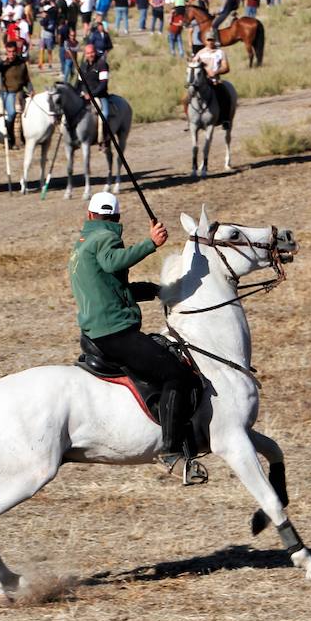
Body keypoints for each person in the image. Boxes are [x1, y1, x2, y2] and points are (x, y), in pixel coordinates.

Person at [68, 192, 196, 457]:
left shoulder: (83, 244)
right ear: (116, 217)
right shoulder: (106, 238)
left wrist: (154, 290)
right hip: (115, 334)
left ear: (90, 214)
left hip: (97, 331)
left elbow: (110, 288)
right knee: (177, 375)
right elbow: (112, 261)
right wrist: (151, 243)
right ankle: (173, 450)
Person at [0, 40, 31, 149]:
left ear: (16, 51)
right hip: (7, 92)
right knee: (11, 114)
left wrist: (31, 89)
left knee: (27, 112)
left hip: (19, 91)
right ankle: (10, 139)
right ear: (6, 52)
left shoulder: (21, 63)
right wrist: (1, 62)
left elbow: (26, 80)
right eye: (9, 52)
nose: (12, 54)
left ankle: (24, 138)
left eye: (13, 51)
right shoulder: (3, 64)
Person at [185, 30, 231, 122]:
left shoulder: (220, 53)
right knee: (185, 98)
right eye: (208, 40)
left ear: (215, 40)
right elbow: (193, 65)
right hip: (201, 82)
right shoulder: (200, 53)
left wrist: (216, 72)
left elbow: (226, 68)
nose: (210, 42)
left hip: (215, 81)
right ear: (205, 41)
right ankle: (189, 120)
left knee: (226, 96)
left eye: (212, 40)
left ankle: (225, 119)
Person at [75, 43, 111, 120]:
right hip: (84, 96)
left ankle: (105, 132)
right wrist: (76, 94)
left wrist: (91, 94)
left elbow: (103, 84)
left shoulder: (102, 64)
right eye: (88, 53)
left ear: (95, 52)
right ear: (85, 54)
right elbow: (79, 83)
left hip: (100, 96)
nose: (90, 55)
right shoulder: (83, 66)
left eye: (92, 52)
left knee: (105, 115)